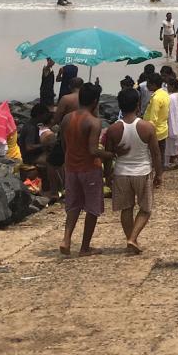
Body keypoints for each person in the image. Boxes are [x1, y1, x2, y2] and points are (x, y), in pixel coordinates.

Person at [61, 83, 116, 257]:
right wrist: (109, 154)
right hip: (89, 168)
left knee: (73, 205)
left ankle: (66, 239)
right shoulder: (94, 122)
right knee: (92, 208)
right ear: (95, 101)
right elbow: (93, 150)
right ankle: (85, 247)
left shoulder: (67, 119)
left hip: (71, 167)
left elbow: (64, 144)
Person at [105, 88, 162, 254]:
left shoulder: (113, 129)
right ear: (138, 104)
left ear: (120, 106)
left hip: (121, 172)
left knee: (126, 208)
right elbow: (156, 153)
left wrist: (108, 175)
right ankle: (132, 238)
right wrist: (159, 174)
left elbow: (109, 156)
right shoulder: (147, 127)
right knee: (145, 209)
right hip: (142, 172)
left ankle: (132, 240)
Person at [142, 74, 170, 158]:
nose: (146, 86)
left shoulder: (156, 98)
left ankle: (158, 168)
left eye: (148, 84)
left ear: (154, 84)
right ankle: (161, 167)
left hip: (156, 131)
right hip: (163, 129)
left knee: (155, 154)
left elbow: (153, 119)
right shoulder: (165, 93)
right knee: (161, 152)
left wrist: (148, 133)